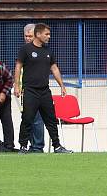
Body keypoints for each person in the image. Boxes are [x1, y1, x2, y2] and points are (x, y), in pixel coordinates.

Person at [14, 23, 72, 154]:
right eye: (46, 34)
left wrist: (62, 85)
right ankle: (23, 146)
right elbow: (18, 66)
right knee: (27, 119)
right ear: (38, 34)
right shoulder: (26, 49)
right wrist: (17, 85)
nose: (49, 37)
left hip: (45, 91)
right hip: (30, 91)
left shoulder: (48, 50)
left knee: (51, 119)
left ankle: (57, 146)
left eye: (49, 34)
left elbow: (54, 68)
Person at [22, 23, 45, 152]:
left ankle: (38, 146)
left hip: (37, 91)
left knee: (37, 119)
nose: (27, 38)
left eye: (30, 36)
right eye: (26, 36)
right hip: (26, 91)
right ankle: (31, 145)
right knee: (27, 118)